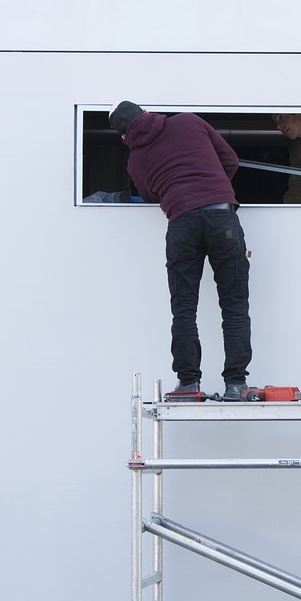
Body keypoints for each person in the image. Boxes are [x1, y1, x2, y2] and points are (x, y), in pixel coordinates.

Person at [110, 101, 252, 400]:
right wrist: (211, 188)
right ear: (146, 112)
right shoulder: (188, 121)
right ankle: (236, 384)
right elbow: (230, 159)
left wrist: (184, 196)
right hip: (221, 216)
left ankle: (188, 384)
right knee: (234, 302)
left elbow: (150, 195)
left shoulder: (135, 160)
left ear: (123, 137)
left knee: (184, 308)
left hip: (182, 225)